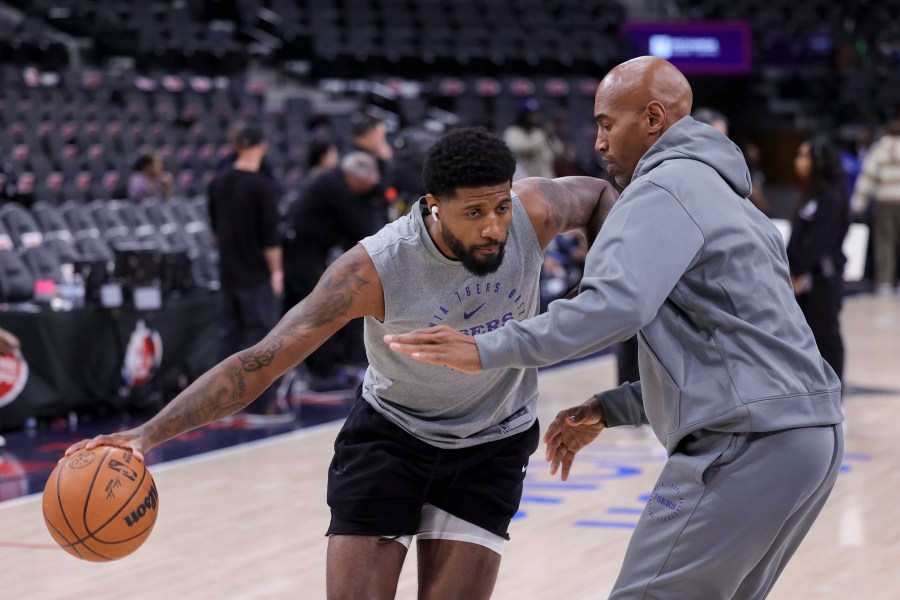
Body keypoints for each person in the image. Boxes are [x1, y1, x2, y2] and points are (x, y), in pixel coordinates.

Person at [65, 127, 618, 600]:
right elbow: (259, 363)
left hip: (493, 442)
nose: (494, 227)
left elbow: (597, 196)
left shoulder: (534, 212)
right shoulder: (373, 269)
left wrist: (604, 280)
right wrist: (147, 435)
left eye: (499, 207)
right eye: (473, 212)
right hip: (393, 437)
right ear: (433, 204)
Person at [387, 57, 844, 599]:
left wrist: (483, 349)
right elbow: (731, 353)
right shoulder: (734, 201)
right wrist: (613, 407)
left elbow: (610, 308)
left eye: (607, 124)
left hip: (746, 444)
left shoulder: (663, 189)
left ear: (653, 118)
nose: (598, 142)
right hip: (811, 438)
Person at [281, 151, 383, 390]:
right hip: (301, 253)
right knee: (319, 311)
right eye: (362, 186)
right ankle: (321, 373)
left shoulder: (338, 181)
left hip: (313, 252)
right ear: (351, 177)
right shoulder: (332, 186)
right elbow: (360, 227)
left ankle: (333, 364)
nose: (364, 191)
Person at [206, 123, 287, 420]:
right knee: (262, 344)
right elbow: (270, 240)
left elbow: (215, 234)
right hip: (256, 276)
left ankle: (217, 405)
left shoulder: (217, 182)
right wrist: (276, 273)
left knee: (228, 338)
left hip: (228, 272)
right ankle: (257, 405)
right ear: (261, 147)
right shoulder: (262, 187)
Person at [788, 136, 850, 384]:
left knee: (826, 336)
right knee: (806, 337)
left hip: (822, 279)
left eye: (803, 155)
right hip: (803, 279)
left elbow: (820, 242)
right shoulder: (811, 195)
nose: (798, 161)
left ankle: (834, 393)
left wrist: (799, 271)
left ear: (819, 161)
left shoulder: (831, 197)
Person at [850, 118, 900, 296]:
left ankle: (886, 282)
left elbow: (867, 178)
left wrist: (857, 205)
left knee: (885, 242)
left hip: (885, 202)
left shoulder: (878, 150)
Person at [503, 98, 563, 180]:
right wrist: (542, 134)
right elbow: (520, 147)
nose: (533, 117)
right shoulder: (513, 132)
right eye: (530, 114)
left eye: (535, 114)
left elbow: (558, 152)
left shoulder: (539, 132)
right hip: (523, 181)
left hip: (545, 180)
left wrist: (552, 137)